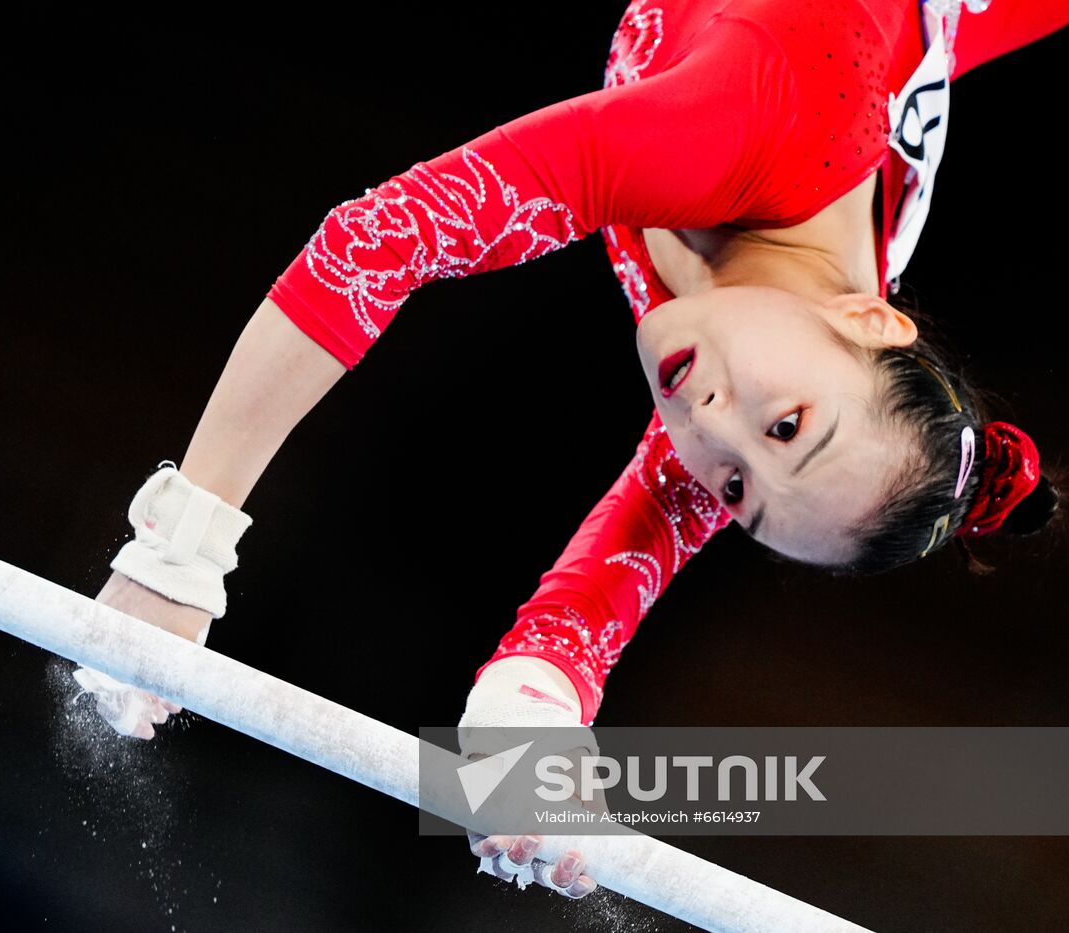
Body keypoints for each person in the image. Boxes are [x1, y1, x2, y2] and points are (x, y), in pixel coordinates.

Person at [70, 0, 1069, 901]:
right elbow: (376, 240)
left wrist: (524, 743)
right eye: (782, 430)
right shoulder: (745, 127)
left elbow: (590, 602)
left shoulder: (792, 336)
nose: (711, 428)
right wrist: (180, 550)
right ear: (869, 318)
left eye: (733, 490)